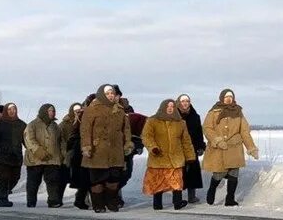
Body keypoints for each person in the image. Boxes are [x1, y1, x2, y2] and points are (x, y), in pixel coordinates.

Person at [80, 84, 132, 213]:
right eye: (108, 93)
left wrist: (127, 144)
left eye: (112, 93)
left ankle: (111, 202)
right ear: (102, 94)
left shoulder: (120, 110)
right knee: (97, 179)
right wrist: (87, 146)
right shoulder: (92, 109)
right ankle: (98, 204)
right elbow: (85, 129)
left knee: (113, 178)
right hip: (98, 150)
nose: (110, 95)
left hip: (116, 150)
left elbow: (126, 129)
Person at [202, 89, 258, 206]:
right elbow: (207, 128)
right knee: (218, 174)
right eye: (226, 97)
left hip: (234, 148)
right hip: (219, 149)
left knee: (234, 175)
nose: (228, 99)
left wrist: (251, 147)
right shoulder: (213, 112)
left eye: (230, 97)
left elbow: (244, 132)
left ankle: (230, 199)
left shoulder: (238, 112)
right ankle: (212, 189)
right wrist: (217, 140)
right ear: (222, 98)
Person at [141, 99, 196, 210]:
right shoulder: (152, 121)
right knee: (159, 181)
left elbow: (186, 140)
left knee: (177, 181)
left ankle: (177, 202)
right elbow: (146, 136)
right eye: (168, 106)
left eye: (172, 106)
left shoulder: (181, 123)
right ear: (163, 107)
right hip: (159, 157)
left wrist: (190, 156)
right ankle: (157, 204)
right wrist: (153, 148)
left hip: (176, 158)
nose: (170, 108)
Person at [24, 103, 66, 207]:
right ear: (44, 111)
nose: (53, 112)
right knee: (33, 182)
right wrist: (39, 151)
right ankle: (31, 201)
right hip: (35, 159)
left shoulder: (56, 126)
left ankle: (53, 201)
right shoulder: (32, 124)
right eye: (50, 110)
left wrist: (62, 154)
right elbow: (29, 139)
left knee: (53, 181)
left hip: (52, 159)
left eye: (53, 110)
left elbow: (62, 141)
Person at [0, 103, 25, 208]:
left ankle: (5, 192)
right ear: (5, 111)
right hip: (2, 156)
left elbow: (26, 140)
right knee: (3, 177)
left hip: (16, 156)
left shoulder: (22, 124)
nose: (12, 111)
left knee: (15, 177)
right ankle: (2, 199)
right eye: (9, 109)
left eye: (14, 109)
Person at [177, 93, 206, 203]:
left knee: (192, 172)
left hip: (192, 147)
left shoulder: (195, 116)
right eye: (183, 101)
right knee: (179, 171)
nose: (185, 103)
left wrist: (200, 146)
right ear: (179, 103)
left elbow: (199, 133)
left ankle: (191, 196)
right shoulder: (175, 116)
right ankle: (178, 196)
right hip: (178, 148)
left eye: (187, 101)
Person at [63, 100, 91, 209]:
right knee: (85, 176)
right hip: (80, 150)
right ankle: (81, 199)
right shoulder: (76, 120)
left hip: (86, 149)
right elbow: (71, 137)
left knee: (90, 176)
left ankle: (83, 199)